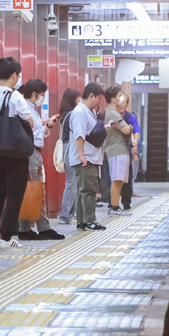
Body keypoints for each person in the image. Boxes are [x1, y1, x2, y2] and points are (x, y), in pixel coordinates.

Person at [0, 57, 36, 248]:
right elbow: (30, 122)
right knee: (14, 195)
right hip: (16, 153)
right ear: (14, 75)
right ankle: (6, 237)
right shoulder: (15, 97)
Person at [17, 79, 65, 241]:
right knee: (32, 191)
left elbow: (37, 133)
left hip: (35, 152)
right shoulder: (25, 110)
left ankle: (37, 228)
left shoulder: (32, 110)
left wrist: (48, 126)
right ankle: (28, 229)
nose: (43, 99)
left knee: (36, 192)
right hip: (29, 153)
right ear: (34, 94)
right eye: (42, 95)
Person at [68, 83, 107, 231]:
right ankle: (91, 221)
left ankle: (82, 221)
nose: (99, 102)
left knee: (83, 191)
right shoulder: (80, 112)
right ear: (91, 96)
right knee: (89, 191)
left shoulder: (87, 112)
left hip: (89, 158)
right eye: (99, 98)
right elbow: (79, 136)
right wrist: (82, 156)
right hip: (86, 159)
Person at [101, 86, 134, 217]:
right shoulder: (113, 113)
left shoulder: (113, 113)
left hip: (119, 150)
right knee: (116, 180)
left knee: (119, 180)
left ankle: (115, 206)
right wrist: (129, 127)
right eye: (119, 95)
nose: (121, 98)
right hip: (116, 150)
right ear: (113, 99)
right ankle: (114, 207)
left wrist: (128, 127)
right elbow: (126, 130)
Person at [55, 88, 82, 225]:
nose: (80, 100)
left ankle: (69, 214)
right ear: (74, 99)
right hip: (70, 150)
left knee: (72, 183)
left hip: (67, 149)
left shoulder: (65, 114)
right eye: (78, 98)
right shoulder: (72, 115)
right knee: (72, 183)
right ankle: (65, 215)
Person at [118, 92, 141, 206]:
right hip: (113, 150)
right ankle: (112, 203)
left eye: (123, 103)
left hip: (126, 150)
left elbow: (136, 131)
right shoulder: (112, 115)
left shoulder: (130, 117)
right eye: (119, 102)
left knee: (127, 176)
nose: (121, 105)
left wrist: (134, 145)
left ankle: (126, 202)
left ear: (127, 104)